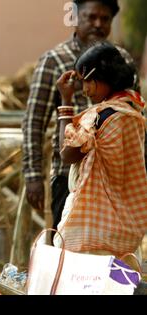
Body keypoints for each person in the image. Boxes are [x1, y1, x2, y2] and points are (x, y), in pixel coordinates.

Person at [22, 0, 139, 231]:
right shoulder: (54, 60)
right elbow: (34, 123)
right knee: (69, 252)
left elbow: (135, 119)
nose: (98, 24)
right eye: (91, 17)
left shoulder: (122, 60)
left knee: (112, 252)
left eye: (105, 19)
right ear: (75, 18)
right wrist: (33, 176)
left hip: (116, 180)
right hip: (69, 178)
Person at [54, 42, 147, 261]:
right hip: (123, 229)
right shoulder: (133, 112)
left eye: (87, 82)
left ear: (104, 76)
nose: (85, 90)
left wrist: (65, 102)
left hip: (90, 229)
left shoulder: (99, 117)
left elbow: (67, 154)